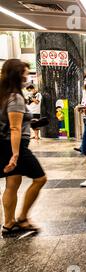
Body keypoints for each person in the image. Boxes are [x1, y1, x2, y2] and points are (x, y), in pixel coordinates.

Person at [0, 59, 47, 235]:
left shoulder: (3, 95)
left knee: (12, 183)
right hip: (15, 146)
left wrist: (32, 123)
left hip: (5, 144)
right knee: (40, 178)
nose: (27, 78)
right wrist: (15, 154)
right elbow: (14, 127)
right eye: (25, 74)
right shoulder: (16, 98)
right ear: (16, 76)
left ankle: (9, 223)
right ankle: (22, 217)